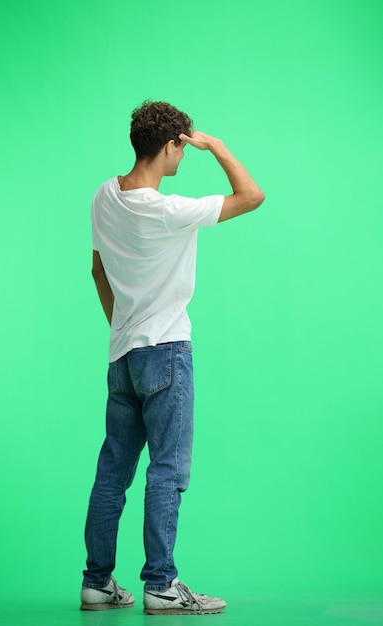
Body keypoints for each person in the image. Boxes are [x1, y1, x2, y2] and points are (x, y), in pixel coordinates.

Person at [80, 101, 265, 615]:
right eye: (182, 145)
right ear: (171, 146)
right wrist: (219, 146)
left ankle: (96, 582)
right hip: (166, 353)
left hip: (123, 355)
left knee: (112, 472)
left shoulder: (103, 196)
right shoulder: (169, 210)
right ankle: (161, 585)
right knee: (167, 471)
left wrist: (123, 328)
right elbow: (252, 195)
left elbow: (98, 271)